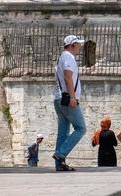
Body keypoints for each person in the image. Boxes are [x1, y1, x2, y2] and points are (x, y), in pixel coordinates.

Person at [53, 33, 86, 172]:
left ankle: (59, 164)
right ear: (72, 45)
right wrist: (73, 97)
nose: (80, 47)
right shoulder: (68, 57)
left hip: (59, 99)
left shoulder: (62, 57)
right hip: (67, 99)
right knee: (81, 128)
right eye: (78, 44)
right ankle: (60, 155)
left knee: (63, 132)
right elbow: (68, 77)